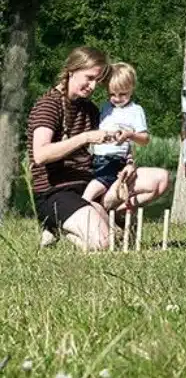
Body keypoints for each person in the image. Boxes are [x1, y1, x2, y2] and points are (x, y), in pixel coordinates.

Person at [29, 47, 119, 250]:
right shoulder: (48, 105)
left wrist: (127, 161)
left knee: (119, 240)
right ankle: (55, 225)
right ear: (72, 70)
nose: (93, 86)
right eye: (89, 78)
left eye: (97, 81)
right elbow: (40, 154)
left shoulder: (89, 109)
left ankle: (61, 228)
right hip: (54, 192)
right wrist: (85, 137)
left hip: (87, 188)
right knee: (103, 243)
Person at [84, 62, 151, 210]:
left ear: (131, 89)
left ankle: (83, 205)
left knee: (93, 188)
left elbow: (145, 139)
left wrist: (129, 135)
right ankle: (98, 211)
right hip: (96, 158)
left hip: (114, 159)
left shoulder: (135, 110)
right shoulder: (105, 107)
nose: (117, 98)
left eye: (122, 94)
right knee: (94, 187)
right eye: (112, 94)